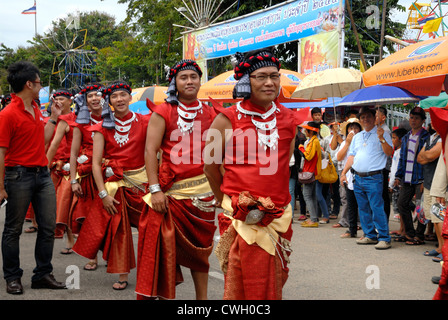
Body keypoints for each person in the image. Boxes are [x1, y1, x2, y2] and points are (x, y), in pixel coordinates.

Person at [203, 48, 308, 300]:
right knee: (242, 285)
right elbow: (209, 165)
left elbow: (285, 166)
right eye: (261, 76)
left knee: (275, 280)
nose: (270, 82)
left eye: (274, 76)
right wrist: (225, 199)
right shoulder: (224, 119)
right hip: (240, 218)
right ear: (244, 81)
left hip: (280, 215)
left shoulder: (290, 120)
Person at [136, 59, 217, 300]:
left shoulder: (212, 111)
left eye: (194, 77)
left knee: (202, 253)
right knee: (166, 253)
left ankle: (201, 301)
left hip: (204, 196)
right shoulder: (163, 111)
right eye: (184, 77)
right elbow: (150, 151)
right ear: (175, 82)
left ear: (200, 81)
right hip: (171, 196)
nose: (190, 81)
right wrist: (154, 190)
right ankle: (165, 296)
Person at [72, 81, 150, 290]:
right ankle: (123, 275)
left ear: (130, 97)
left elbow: (154, 153)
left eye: (123, 95)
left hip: (142, 185)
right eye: (114, 96)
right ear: (109, 101)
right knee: (120, 232)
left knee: (150, 230)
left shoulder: (145, 121)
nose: (120, 99)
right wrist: (103, 194)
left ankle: (150, 272)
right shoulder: (101, 127)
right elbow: (96, 165)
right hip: (115, 187)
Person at [0, 61, 67, 294]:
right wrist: (0, 187)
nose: (41, 86)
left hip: (42, 174)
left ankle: (42, 274)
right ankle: (12, 277)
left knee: (48, 227)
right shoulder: (8, 113)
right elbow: (0, 152)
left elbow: (43, 139)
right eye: (39, 82)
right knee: (13, 229)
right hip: (17, 175)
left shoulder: (36, 109)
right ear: (29, 84)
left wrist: (54, 118)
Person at [340, 106, 394, 250]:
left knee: (377, 208)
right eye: (362, 117)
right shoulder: (357, 136)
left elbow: (389, 152)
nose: (365, 119)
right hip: (358, 177)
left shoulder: (383, 133)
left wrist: (382, 138)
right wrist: (344, 172)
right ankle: (370, 235)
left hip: (374, 177)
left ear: (374, 117)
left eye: (368, 116)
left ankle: (384, 237)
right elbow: (352, 156)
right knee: (363, 209)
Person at [68, 84, 104, 271]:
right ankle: (93, 257)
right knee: (90, 217)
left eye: (98, 95)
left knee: (112, 217)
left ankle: (113, 255)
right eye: (90, 96)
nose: (95, 99)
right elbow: (73, 154)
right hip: (89, 175)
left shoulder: (112, 118)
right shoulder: (80, 122)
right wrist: (74, 180)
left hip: (111, 174)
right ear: (85, 100)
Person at [45, 89, 76, 254]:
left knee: (69, 205)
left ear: (70, 101)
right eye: (55, 99)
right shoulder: (50, 121)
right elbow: (48, 144)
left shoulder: (78, 119)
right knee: (59, 206)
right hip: (54, 168)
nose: (58, 101)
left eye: (62, 99)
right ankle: (69, 238)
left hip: (74, 168)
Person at [393, 107, 429, 245]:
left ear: (422, 121)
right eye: (412, 117)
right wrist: (398, 176)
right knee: (402, 203)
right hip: (407, 178)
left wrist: (424, 180)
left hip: (420, 178)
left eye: (417, 118)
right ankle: (410, 233)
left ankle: (419, 236)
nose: (413, 120)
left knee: (421, 208)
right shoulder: (407, 136)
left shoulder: (426, 137)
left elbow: (426, 160)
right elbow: (402, 158)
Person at [427, 106, 448, 300]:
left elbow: (430, 156)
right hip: (439, 191)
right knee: (437, 219)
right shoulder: (442, 136)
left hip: (441, 192)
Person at [337, 118, 363, 238]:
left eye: (356, 128)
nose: (353, 130)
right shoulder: (344, 142)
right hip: (348, 176)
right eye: (351, 128)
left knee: (363, 204)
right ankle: (351, 229)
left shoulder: (363, 140)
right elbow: (339, 157)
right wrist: (347, 143)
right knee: (350, 203)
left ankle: (365, 228)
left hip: (362, 175)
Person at [299, 121, 323, 228]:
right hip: (312, 171)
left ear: (310, 131)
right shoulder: (313, 140)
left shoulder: (314, 142)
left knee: (307, 195)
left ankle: (313, 219)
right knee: (311, 195)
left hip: (310, 171)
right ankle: (314, 218)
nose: (304, 131)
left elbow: (308, 156)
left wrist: (301, 148)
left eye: (306, 130)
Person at [389, 128, 408, 236]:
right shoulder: (396, 151)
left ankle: (404, 229)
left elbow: (398, 169)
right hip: (395, 182)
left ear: (401, 139)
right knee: (398, 207)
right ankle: (401, 229)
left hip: (399, 182)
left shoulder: (402, 151)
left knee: (401, 206)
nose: (392, 140)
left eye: (394, 138)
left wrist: (395, 180)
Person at [376, 106, 392, 221]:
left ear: (383, 117)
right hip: (378, 167)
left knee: (383, 195)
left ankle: (384, 220)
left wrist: (381, 138)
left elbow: (388, 151)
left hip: (383, 167)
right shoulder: (376, 129)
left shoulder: (385, 131)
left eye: (376, 116)